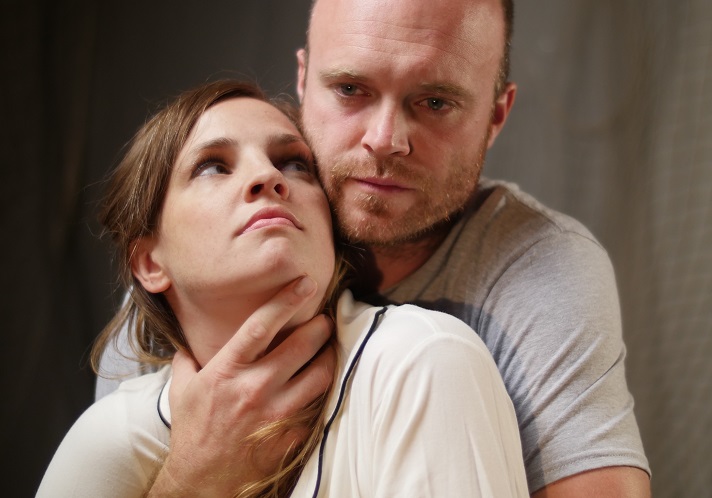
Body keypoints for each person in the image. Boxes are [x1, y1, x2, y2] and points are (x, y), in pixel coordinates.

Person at [99, 0, 653, 496]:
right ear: (303, 80)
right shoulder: (190, 280)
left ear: (495, 118)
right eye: (350, 91)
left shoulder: (539, 274)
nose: (385, 139)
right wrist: (195, 479)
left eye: (435, 102)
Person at [38, 80, 528, 498]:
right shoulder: (110, 439)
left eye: (294, 163)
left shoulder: (422, 361)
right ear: (149, 262)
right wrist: (188, 484)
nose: (268, 177)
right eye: (213, 165)